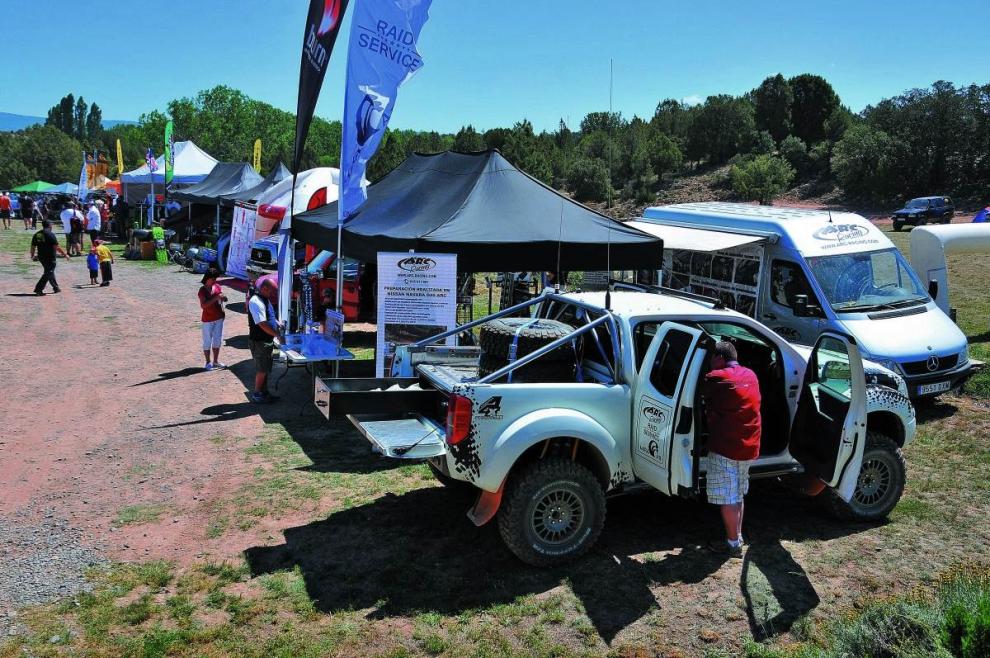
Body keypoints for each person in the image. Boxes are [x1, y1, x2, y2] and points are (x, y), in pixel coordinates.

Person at [702, 340, 762, 558]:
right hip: (750, 445)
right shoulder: (751, 375)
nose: (710, 364)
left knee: (727, 496)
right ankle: (737, 537)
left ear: (719, 358)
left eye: (711, 360)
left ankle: (732, 544)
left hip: (727, 447)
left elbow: (697, 393)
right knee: (737, 492)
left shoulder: (716, 378)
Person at [247, 277, 280, 404]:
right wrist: (277, 334)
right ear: (264, 288)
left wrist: (277, 322)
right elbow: (262, 323)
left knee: (266, 369)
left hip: (266, 340)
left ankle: (264, 393)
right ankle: (257, 394)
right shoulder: (256, 302)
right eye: (271, 292)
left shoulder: (264, 299)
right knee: (262, 370)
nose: (272, 295)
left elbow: (269, 316)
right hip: (260, 341)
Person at [198, 267, 228, 370]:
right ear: (207, 278)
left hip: (219, 317)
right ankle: (207, 362)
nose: (214, 281)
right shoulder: (202, 291)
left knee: (217, 340)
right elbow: (204, 305)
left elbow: (221, 300)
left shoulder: (217, 287)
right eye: (213, 279)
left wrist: (223, 298)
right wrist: (216, 297)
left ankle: (215, 361)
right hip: (207, 319)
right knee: (207, 341)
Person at [30, 219, 69, 295]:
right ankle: (38, 289)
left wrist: (32, 255)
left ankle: (56, 287)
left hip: (41, 257)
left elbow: (33, 246)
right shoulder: (50, 234)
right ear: (50, 225)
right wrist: (65, 254)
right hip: (50, 257)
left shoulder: (38, 234)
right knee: (48, 272)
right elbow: (56, 247)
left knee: (49, 271)